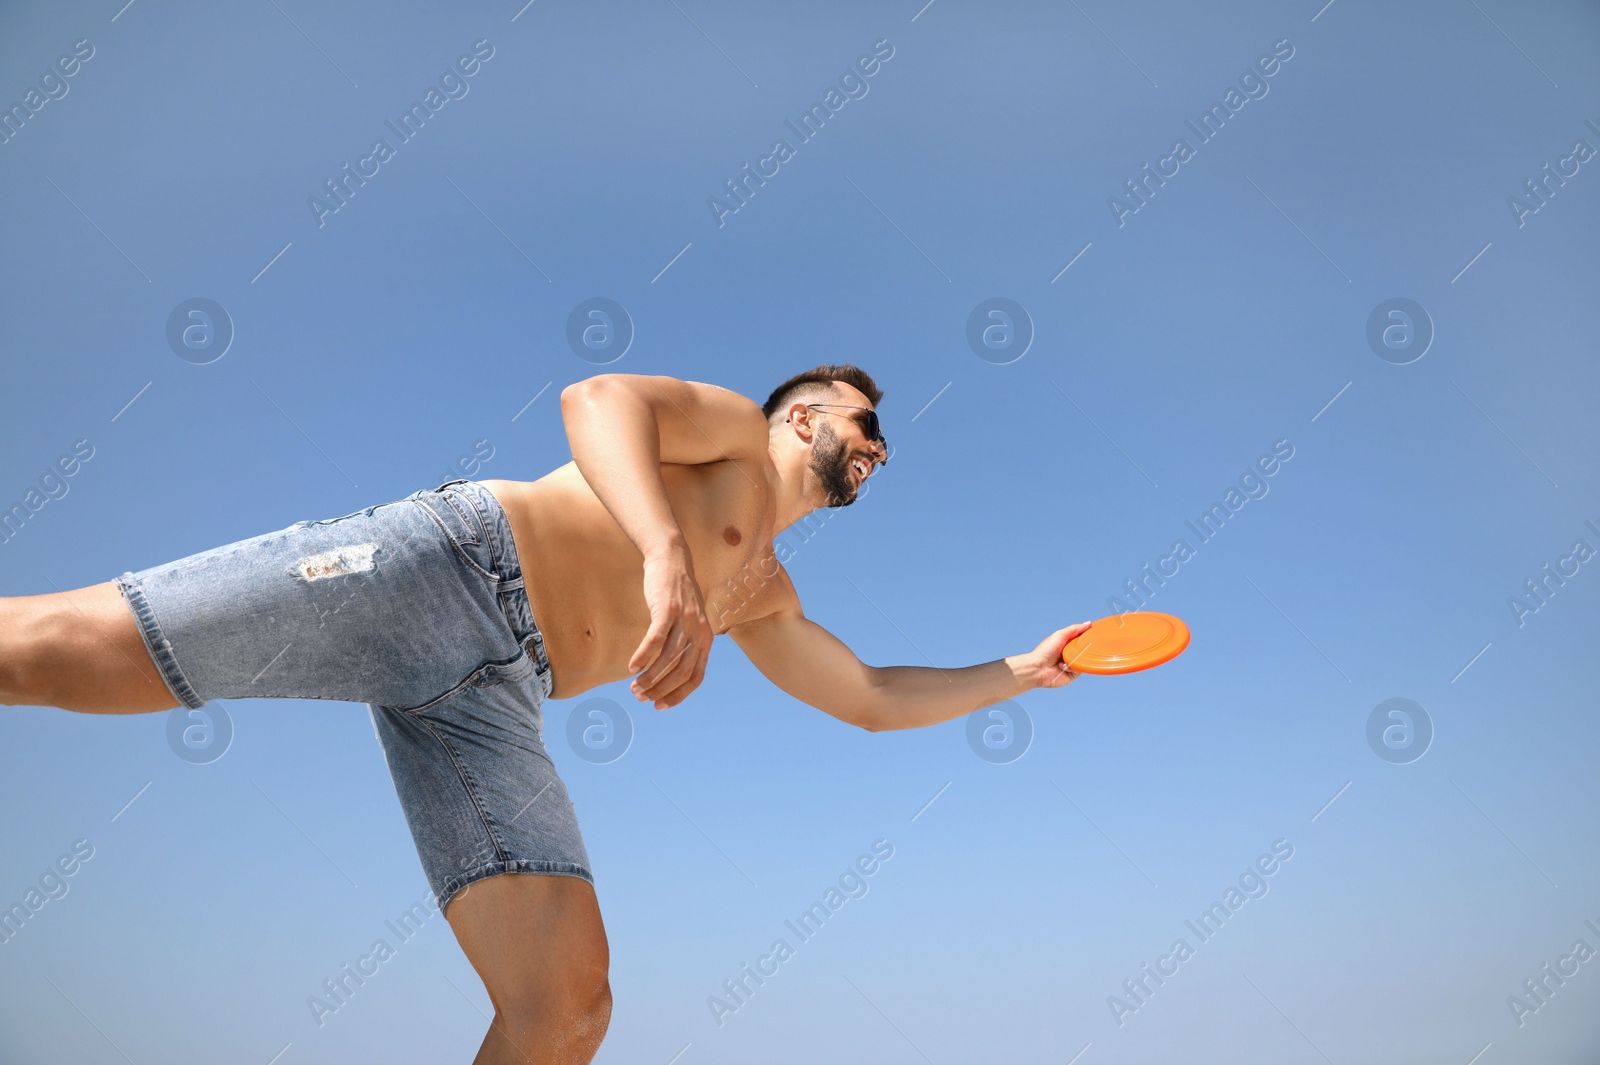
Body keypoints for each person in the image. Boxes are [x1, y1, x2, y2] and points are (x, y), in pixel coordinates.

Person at [0, 364, 1089, 1064]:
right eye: (863, 422)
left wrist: (1020, 670)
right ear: (799, 414)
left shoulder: (764, 589)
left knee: (565, 1007)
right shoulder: (725, 436)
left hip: (494, 701)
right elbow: (596, 399)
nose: (878, 445)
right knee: (48, 653)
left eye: (882, 440)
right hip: (445, 567)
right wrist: (664, 552)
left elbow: (869, 698)